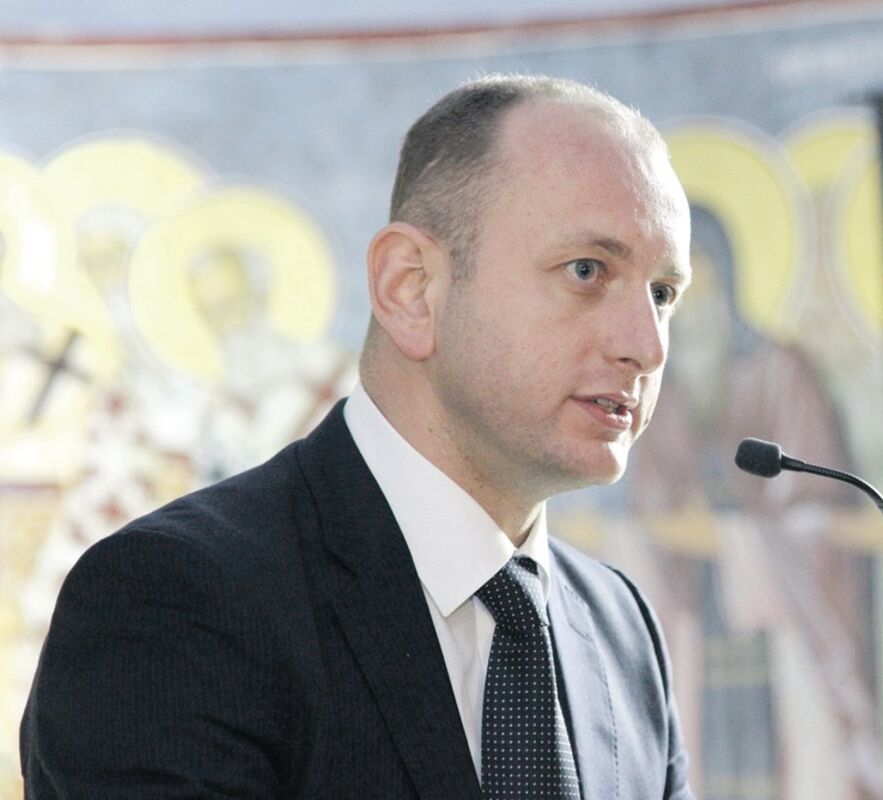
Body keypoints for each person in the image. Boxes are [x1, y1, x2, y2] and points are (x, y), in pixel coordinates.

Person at [20, 74, 695, 799]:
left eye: (662, 293)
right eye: (587, 271)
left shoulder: (620, 627)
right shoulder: (175, 599)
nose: (647, 346)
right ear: (411, 288)